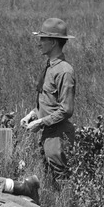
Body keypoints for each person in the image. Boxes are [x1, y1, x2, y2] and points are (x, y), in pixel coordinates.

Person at [20, 18, 77, 184]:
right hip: (47, 134)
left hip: (58, 137)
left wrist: (40, 123)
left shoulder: (64, 71)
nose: (39, 43)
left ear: (52, 43)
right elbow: (48, 101)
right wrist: (33, 114)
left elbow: (66, 109)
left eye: (42, 39)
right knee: (50, 181)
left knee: (63, 181)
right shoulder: (50, 66)